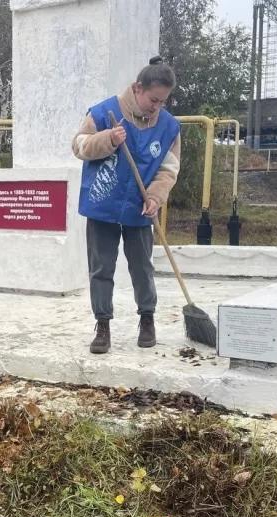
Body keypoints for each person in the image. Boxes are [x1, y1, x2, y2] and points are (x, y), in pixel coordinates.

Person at [73, 56, 181, 354]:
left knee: (142, 267)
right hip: (103, 203)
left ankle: (147, 319)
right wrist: (107, 139)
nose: (157, 106)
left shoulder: (169, 128)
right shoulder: (104, 112)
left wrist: (156, 197)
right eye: (153, 99)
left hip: (140, 206)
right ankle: (103, 324)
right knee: (101, 268)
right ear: (137, 88)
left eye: (163, 102)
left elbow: (168, 169)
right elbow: (78, 146)